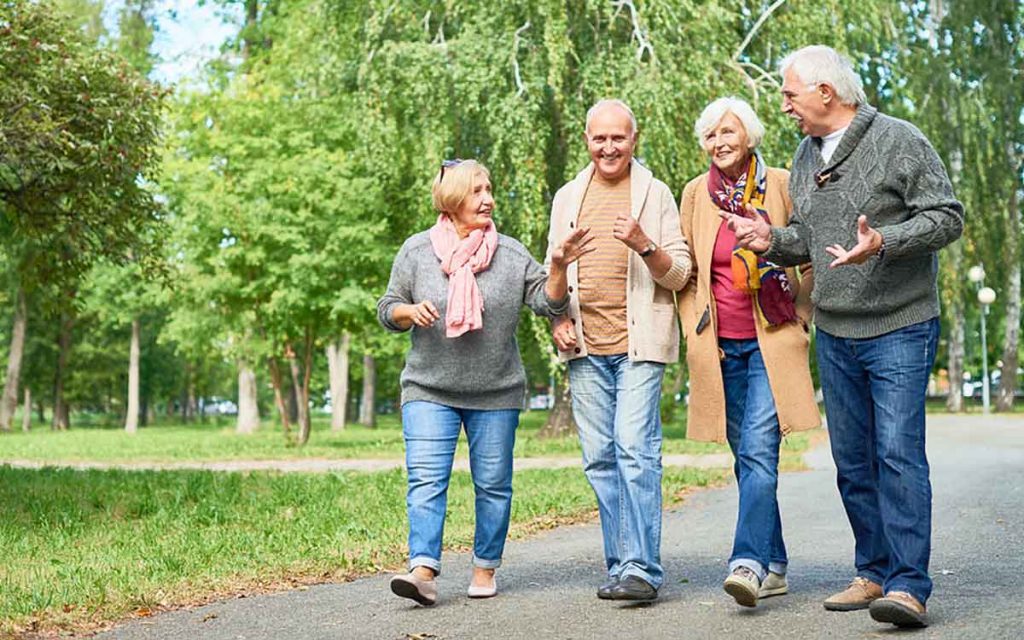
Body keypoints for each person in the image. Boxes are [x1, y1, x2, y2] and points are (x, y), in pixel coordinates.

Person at [725, 45, 964, 627]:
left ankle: (909, 586)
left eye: (789, 94)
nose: (783, 105)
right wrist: (770, 240)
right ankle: (874, 571)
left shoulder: (899, 140)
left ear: (825, 93)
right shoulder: (806, 155)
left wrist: (883, 241)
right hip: (835, 329)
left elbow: (947, 217)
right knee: (852, 459)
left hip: (900, 325)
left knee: (898, 454)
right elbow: (809, 237)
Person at [377, 159, 592, 606]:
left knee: (493, 483)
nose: (488, 198)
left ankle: (484, 566)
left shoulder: (510, 255)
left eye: (489, 189)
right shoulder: (417, 251)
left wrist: (555, 266)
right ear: (453, 199)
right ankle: (423, 571)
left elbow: (547, 304)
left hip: (495, 391)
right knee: (426, 480)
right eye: (477, 191)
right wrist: (408, 312)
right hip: (428, 388)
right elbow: (388, 306)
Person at [545, 99, 691, 602]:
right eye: (599, 138)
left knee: (634, 449)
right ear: (587, 140)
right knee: (600, 459)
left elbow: (680, 274)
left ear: (635, 139)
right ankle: (621, 564)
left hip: (639, 343)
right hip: (584, 345)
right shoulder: (567, 197)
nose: (609, 147)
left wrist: (644, 244)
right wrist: (558, 317)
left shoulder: (654, 194)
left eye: (618, 138)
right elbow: (552, 282)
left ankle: (643, 570)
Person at [679, 97, 821, 608]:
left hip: (771, 339)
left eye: (728, 132)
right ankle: (776, 561)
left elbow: (809, 246)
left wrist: (802, 312)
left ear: (750, 136)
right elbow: (690, 268)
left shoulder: (780, 183)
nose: (719, 142)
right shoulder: (696, 194)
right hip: (720, 346)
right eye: (711, 134)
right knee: (747, 459)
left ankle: (748, 562)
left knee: (760, 451)